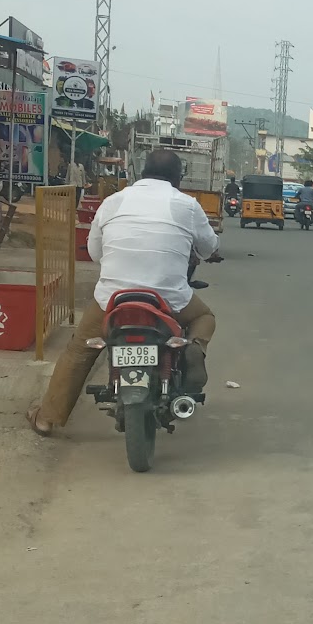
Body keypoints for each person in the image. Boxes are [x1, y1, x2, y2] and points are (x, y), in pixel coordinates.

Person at [28, 147, 218, 436]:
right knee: (205, 317)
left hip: (113, 301)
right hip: (168, 299)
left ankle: (46, 418)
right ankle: (193, 348)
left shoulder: (113, 202)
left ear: (142, 173)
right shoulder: (187, 205)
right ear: (177, 178)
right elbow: (208, 247)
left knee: (79, 350)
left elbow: (94, 253)